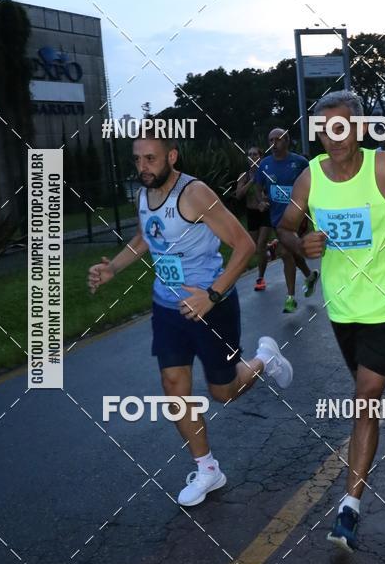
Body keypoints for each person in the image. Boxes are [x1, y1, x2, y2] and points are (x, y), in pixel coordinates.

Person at [88, 128, 293, 507]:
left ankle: (265, 359)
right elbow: (145, 238)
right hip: (167, 308)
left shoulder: (194, 194)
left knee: (223, 393)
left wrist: (212, 296)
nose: (142, 167)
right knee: (173, 385)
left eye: (150, 158)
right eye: (137, 159)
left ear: (172, 156)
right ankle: (208, 469)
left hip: (212, 307)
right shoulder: (144, 194)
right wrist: (112, 269)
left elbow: (244, 245)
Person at [277, 90, 385, 553]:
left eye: (342, 126)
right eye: (325, 128)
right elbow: (284, 227)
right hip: (342, 307)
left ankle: (349, 507)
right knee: (370, 380)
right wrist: (300, 243)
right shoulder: (309, 180)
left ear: (360, 129)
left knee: (365, 397)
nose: (334, 136)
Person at [254, 128, 319, 313]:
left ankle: (290, 298)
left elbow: (315, 185)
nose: (274, 143)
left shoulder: (300, 162)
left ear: (287, 141)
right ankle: (309, 275)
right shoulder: (265, 165)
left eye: (278, 139)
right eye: (270, 140)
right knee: (291, 251)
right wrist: (261, 201)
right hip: (277, 217)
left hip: (297, 217)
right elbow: (258, 188)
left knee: (285, 253)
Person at [236, 145, 272, 291]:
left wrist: (265, 201)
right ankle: (271, 248)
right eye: (249, 155)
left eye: (255, 154)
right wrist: (251, 180)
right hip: (252, 214)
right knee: (255, 247)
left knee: (260, 245)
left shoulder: (267, 173)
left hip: (265, 213)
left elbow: (274, 192)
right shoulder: (243, 175)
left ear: (261, 157)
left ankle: (260, 278)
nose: (252, 157)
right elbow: (239, 195)